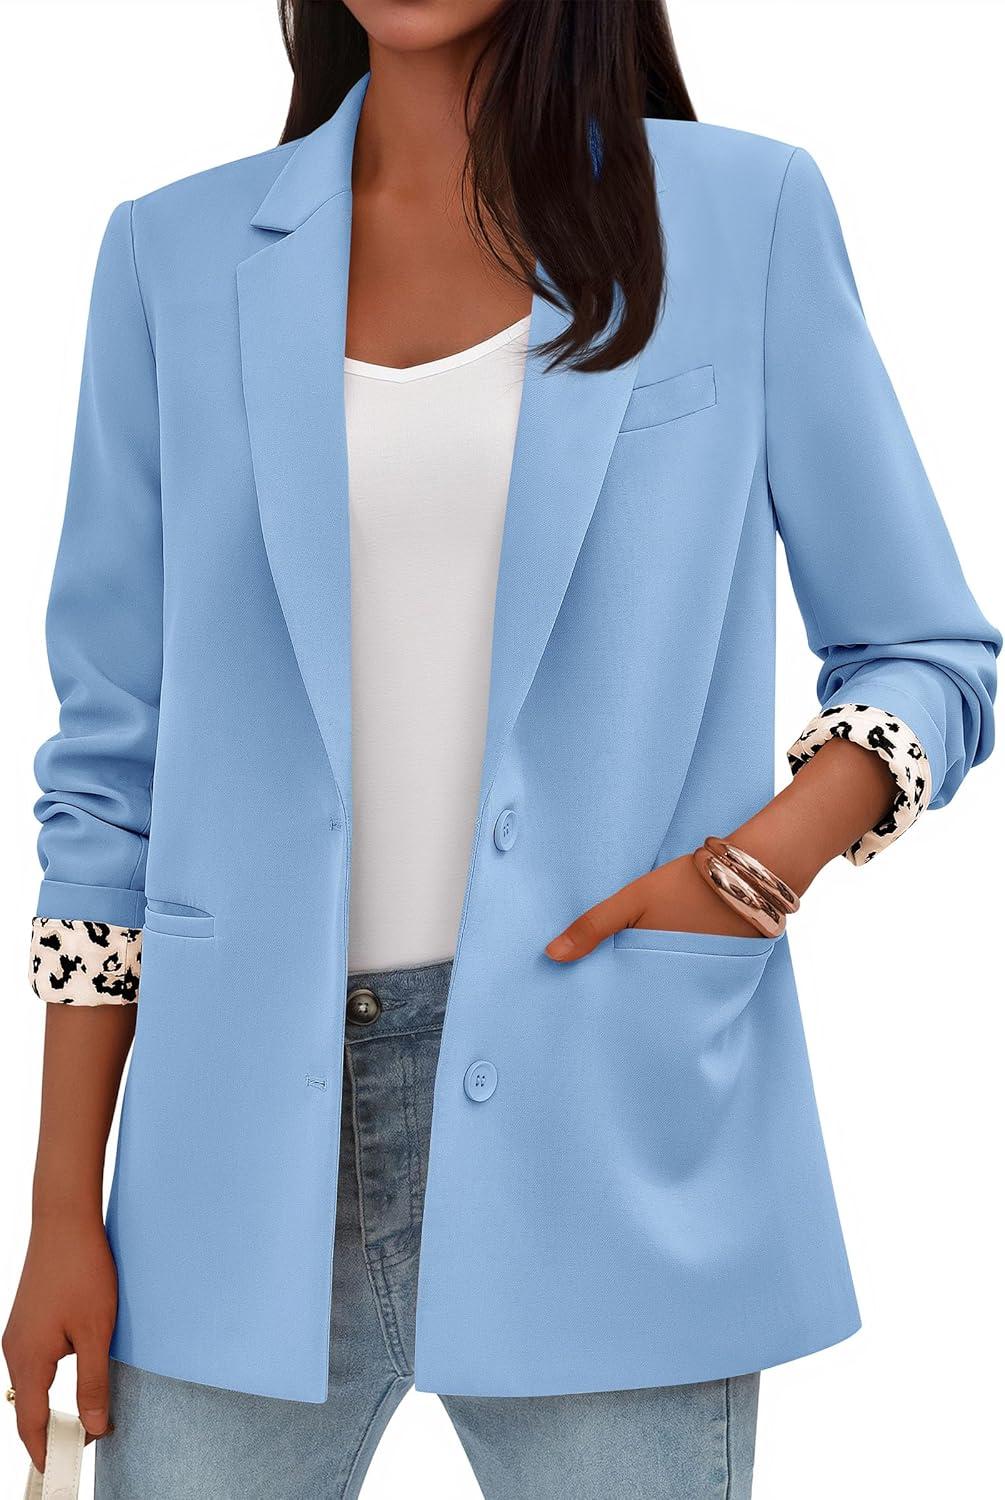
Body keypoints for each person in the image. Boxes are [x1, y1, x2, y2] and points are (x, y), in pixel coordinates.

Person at [4, 2, 998, 1496]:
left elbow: (926, 651)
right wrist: (60, 1206)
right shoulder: (171, 257)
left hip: (611, 1115)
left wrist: (750, 870)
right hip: (229, 1157)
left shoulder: (740, 216)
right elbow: (109, 764)